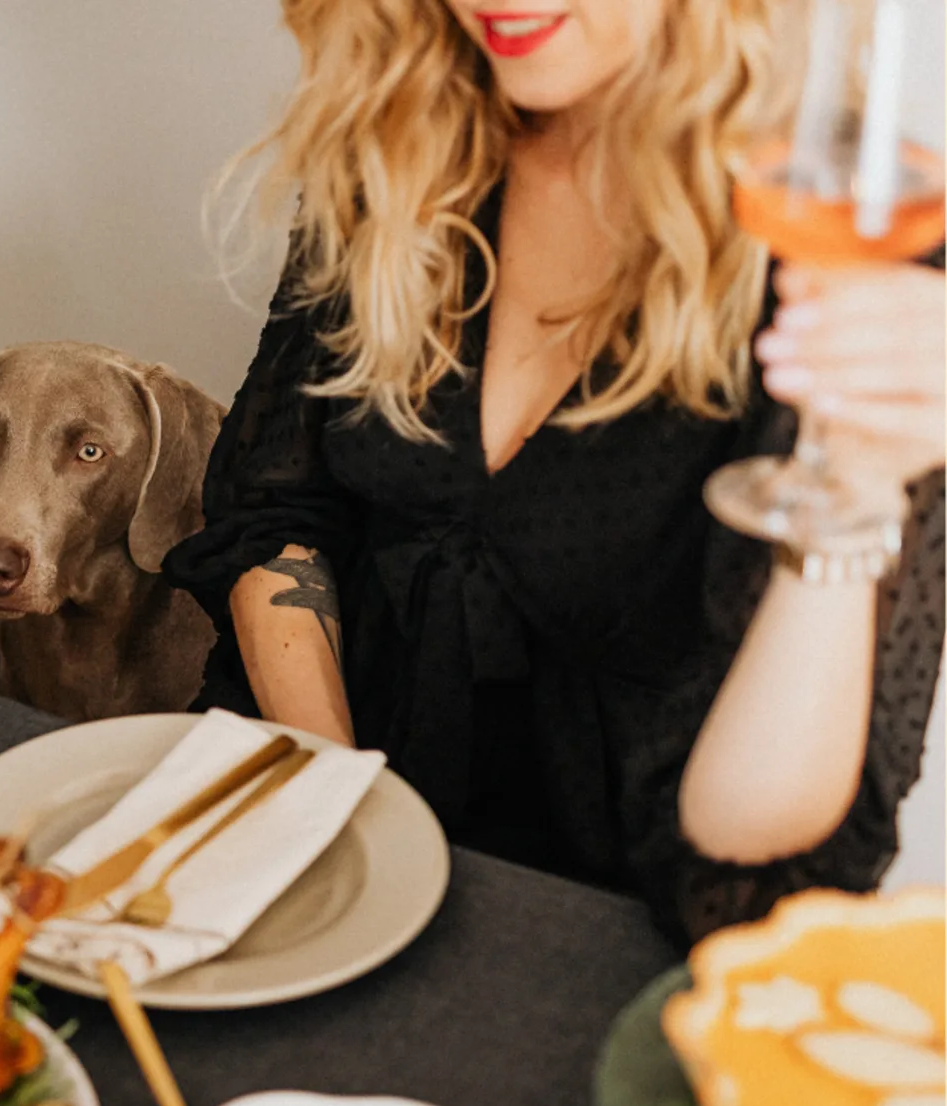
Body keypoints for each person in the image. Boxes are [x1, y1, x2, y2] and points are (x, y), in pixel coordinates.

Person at [163, 0, 944, 942]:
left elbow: (764, 853)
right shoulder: (403, 138)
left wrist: (859, 488)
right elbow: (276, 506)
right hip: (313, 835)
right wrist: (338, 795)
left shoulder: (851, 255)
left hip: (612, 924)